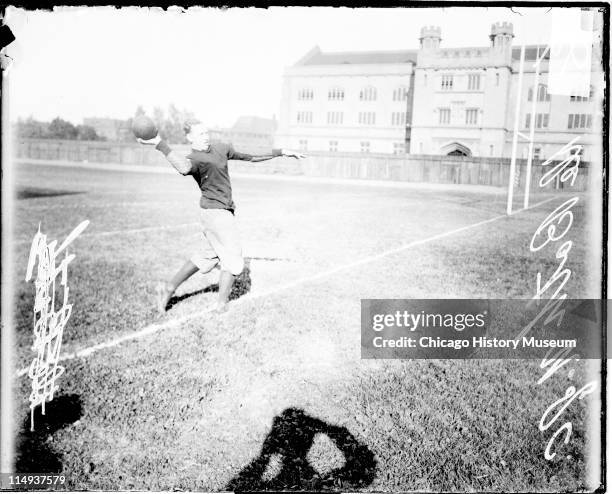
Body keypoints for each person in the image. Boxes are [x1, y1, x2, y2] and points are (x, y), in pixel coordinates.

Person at [138, 122, 305, 313]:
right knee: (233, 256)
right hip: (216, 214)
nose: (206, 136)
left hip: (217, 212)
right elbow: (184, 168)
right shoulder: (195, 158)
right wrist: (160, 143)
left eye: (206, 132)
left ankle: (168, 287)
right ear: (190, 138)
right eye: (200, 134)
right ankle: (221, 304)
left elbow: (250, 155)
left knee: (210, 253)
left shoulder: (219, 147)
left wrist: (282, 151)